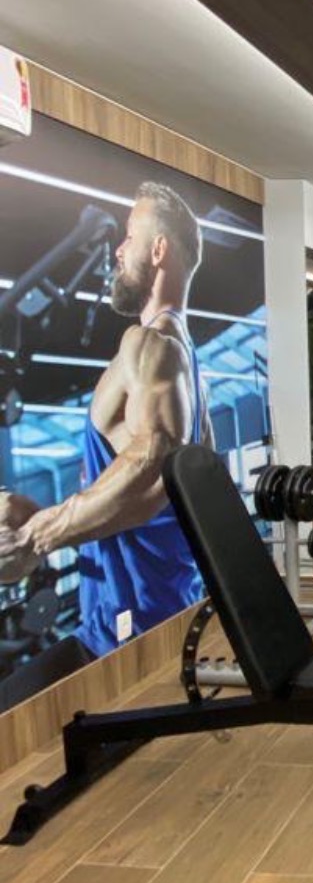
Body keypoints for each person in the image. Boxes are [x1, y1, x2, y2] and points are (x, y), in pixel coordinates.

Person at [0, 181, 211, 691]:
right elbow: (144, 492)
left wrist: (36, 537)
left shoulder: (150, 345)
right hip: (145, 619)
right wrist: (37, 513)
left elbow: (149, 467)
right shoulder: (187, 361)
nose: (118, 250)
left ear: (158, 250)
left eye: (129, 237)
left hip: (126, 632)